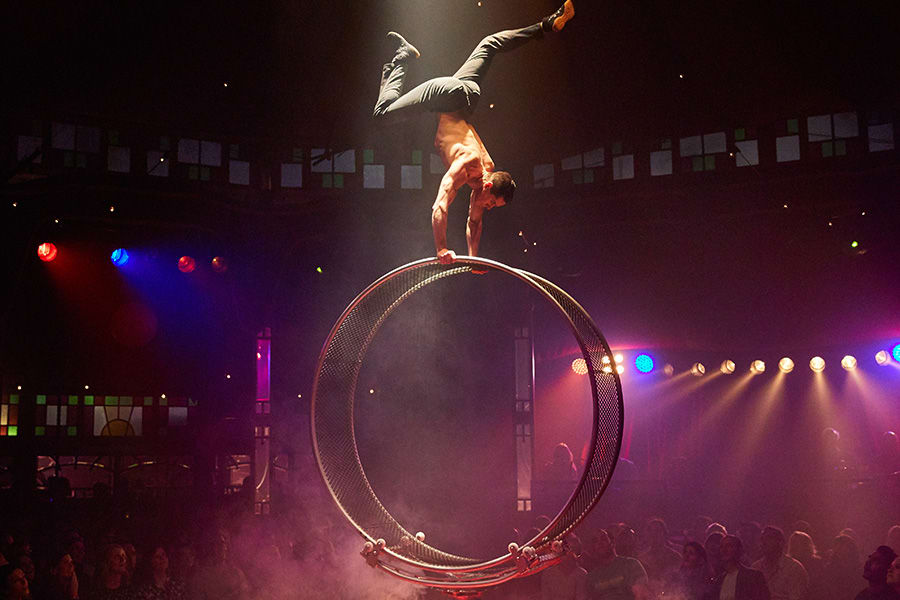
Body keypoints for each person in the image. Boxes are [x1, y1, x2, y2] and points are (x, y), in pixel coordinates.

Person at [372, 2, 576, 263]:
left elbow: (474, 222)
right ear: (488, 185)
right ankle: (402, 57)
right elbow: (440, 205)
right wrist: (441, 248)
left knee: (489, 43)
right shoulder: (468, 164)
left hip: (468, 96)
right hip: (445, 96)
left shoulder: (486, 169)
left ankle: (548, 24)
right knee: (381, 115)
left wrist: (473, 259)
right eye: (492, 203)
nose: (487, 206)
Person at [584, 529, 649, 600]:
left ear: (613, 543)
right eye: (595, 541)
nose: (600, 543)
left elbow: (641, 595)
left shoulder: (631, 565)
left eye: (603, 539)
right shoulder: (591, 577)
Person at [751, 526, 808, 600]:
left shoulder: (794, 568)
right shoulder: (755, 567)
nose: (763, 542)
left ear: (780, 543)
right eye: (762, 539)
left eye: (769, 538)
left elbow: (796, 597)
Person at [711, 535, 770, 600]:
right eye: (721, 547)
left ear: (739, 550)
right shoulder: (719, 580)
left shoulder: (753, 577)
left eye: (729, 546)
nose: (724, 550)